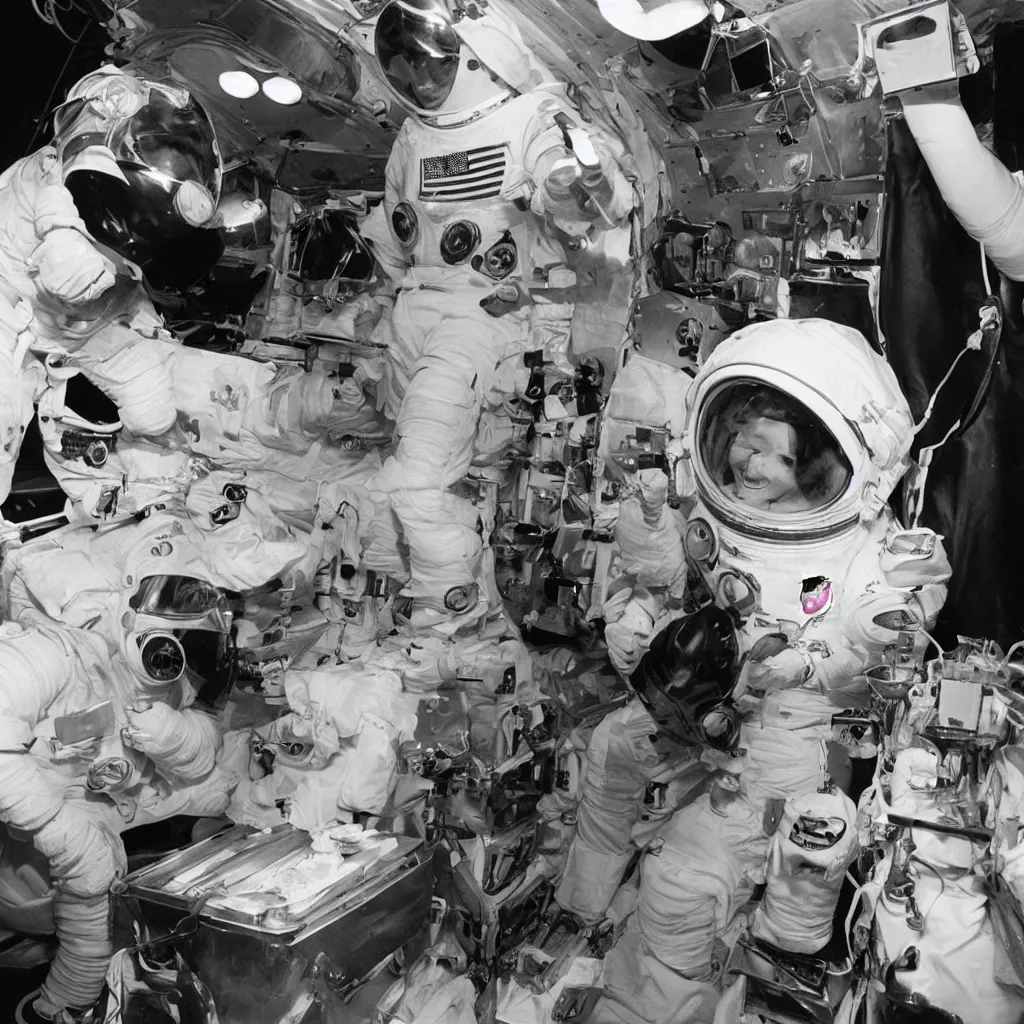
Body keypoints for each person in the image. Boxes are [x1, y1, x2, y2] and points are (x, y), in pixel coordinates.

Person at [712, 384, 852, 513]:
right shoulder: (715, 490)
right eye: (750, 447)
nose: (755, 463)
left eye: (784, 460)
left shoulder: (805, 515)